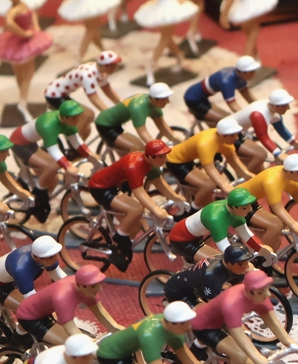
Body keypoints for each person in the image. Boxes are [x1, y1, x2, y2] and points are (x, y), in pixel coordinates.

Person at [189, 270, 296, 364]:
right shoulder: (232, 302)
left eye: (267, 289)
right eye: (262, 291)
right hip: (204, 326)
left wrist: (291, 343)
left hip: (222, 322)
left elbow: (273, 322)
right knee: (239, 355)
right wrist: (258, 358)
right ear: (250, 292)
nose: (267, 294)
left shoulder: (259, 295)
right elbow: (241, 339)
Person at [85, 140, 177, 270]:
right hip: (99, 187)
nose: (165, 159)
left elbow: (159, 182)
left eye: (165, 155)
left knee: (136, 224)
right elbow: (139, 192)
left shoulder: (150, 163)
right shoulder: (134, 165)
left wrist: (177, 198)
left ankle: (121, 250)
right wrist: (156, 209)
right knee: (137, 209)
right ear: (150, 157)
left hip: (112, 186)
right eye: (161, 156)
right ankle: (120, 236)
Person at [8, 100, 98, 222]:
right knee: (53, 166)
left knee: (53, 179)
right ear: (64, 117)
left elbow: (77, 142)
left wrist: (91, 155)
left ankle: (38, 194)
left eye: (78, 117)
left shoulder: (69, 121)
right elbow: (54, 150)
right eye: (74, 118)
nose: (77, 120)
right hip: (19, 144)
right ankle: (38, 194)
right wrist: (68, 166)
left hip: (31, 143)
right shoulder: (48, 125)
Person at [129, 0, 198, 84]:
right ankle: (179, 57)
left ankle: (152, 65)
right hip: (160, 7)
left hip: (171, 7)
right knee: (167, 37)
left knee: (165, 38)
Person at [14, 263, 120, 345]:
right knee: (74, 345)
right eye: (94, 286)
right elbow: (70, 328)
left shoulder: (87, 287)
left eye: (99, 284)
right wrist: (89, 343)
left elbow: (100, 312)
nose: (99, 289)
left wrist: (116, 328)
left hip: (43, 311)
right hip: (29, 318)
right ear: (81, 286)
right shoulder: (63, 297)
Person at [0, 0, 54, 120]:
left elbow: (32, 13)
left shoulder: (23, 5)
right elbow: (9, 23)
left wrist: (35, 26)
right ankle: (22, 101)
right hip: (17, 43)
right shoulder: (13, 10)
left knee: (28, 72)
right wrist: (23, 33)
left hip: (27, 41)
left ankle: (22, 98)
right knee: (21, 72)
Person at [167, 188, 274, 264]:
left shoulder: (235, 210)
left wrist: (261, 248)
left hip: (195, 235)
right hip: (181, 241)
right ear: (235, 207)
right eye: (245, 207)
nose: (250, 210)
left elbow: (246, 234)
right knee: (221, 264)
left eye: (250, 205)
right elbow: (225, 247)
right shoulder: (216, 218)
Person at [165, 118, 253, 209]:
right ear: (223, 135)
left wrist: (248, 175)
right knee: (209, 185)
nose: (237, 138)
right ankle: (194, 209)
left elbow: (234, 161)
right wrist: (224, 186)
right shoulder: (205, 144)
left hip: (187, 159)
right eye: (232, 135)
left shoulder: (226, 141)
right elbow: (210, 169)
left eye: (237, 134)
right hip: (175, 162)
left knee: (211, 200)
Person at [221, 89, 298, 173]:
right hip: (229, 133)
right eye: (284, 105)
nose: (288, 108)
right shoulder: (258, 115)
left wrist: (294, 143)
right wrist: (277, 154)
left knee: (258, 162)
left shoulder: (272, 109)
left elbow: (281, 129)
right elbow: (263, 136)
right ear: (275, 106)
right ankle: (246, 176)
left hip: (240, 131)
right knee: (260, 155)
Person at [0, 236, 67, 311]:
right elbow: (32, 299)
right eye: (52, 256)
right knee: (31, 311)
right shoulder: (21, 269)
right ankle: (20, 328)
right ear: (43, 258)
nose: (57, 258)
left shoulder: (44, 255)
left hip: (11, 278)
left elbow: (60, 276)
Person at [43, 50, 124, 132]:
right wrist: (108, 114)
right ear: (105, 66)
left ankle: (76, 136)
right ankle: (73, 137)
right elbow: (94, 98)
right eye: (113, 66)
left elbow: (107, 90)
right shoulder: (88, 75)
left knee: (86, 131)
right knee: (88, 115)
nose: (117, 67)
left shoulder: (100, 71)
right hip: (54, 95)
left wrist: (123, 104)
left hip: (63, 93)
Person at [93, 82, 179, 155]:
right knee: (138, 148)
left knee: (131, 151)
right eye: (164, 99)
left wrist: (179, 142)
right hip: (105, 125)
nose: (168, 101)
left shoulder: (153, 103)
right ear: (154, 99)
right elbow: (143, 132)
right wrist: (157, 148)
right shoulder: (138, 107)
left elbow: (163, 127)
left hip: (116, 123)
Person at [163, 244, 254, 306]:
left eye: (247, 262)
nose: (246, 267)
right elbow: (213, 306)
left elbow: (239, 285)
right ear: (230, 263)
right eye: (241, 264)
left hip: (199, 286)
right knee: (207, 319)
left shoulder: (232, 265)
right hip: (181, 292)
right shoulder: (211, 275)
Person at [182, 55, 262, 124]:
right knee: (228, 121)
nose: (254, 74)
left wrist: (261, 107)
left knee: (227, 119)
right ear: (243, 72)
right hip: (193, 100)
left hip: (202, 97)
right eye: (252, 72)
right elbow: (233, 105)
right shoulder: (227, 81)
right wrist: (246, 118)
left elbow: (247, 95)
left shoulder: (240, 76)